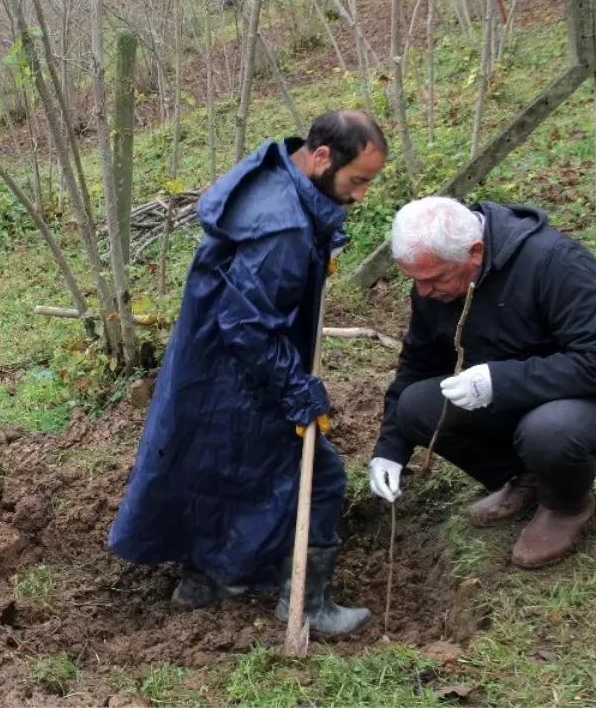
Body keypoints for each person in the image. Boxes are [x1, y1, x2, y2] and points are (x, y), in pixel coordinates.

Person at [109, 111, 388, 635]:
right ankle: (306, 605)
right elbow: (249, 324)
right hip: (242, 369)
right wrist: (297, 389)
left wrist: (320, 246)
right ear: (323, 157)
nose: (360, 195)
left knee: (215, 467)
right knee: (318, 476)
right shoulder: (282, 227)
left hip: (209, 364)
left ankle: (206, 581)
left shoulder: (278, 177)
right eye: (357, 181)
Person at [367, 196, 596, 568]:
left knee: (548, 430)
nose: (424, 293)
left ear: (475, 252)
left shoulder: (555, 262)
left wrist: (498, 380)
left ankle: (567, 504)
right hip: (522, 393)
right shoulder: (436, 283)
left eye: (435, 279)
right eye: (416, 281)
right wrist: (389, 450)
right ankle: (529, 479)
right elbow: (416, 367)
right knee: (416, 406)